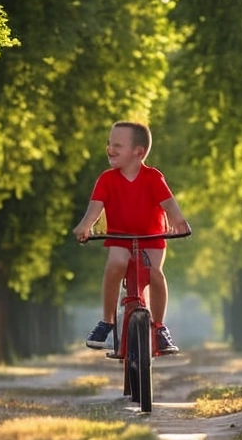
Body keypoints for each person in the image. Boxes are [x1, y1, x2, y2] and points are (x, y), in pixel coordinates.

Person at [73, 121, 190, 353]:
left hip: (152, 238)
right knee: (115, 264)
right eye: (109, 144)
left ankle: (159, 328)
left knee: (155, 274)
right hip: (120, 238)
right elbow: (93, 211)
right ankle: (107, 322)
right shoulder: (107, 179)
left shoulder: (153, 178)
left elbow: (170, 207)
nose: (110, 149)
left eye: (117, 145)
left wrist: (178, 221)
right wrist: (85, 226)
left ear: (138, 152)